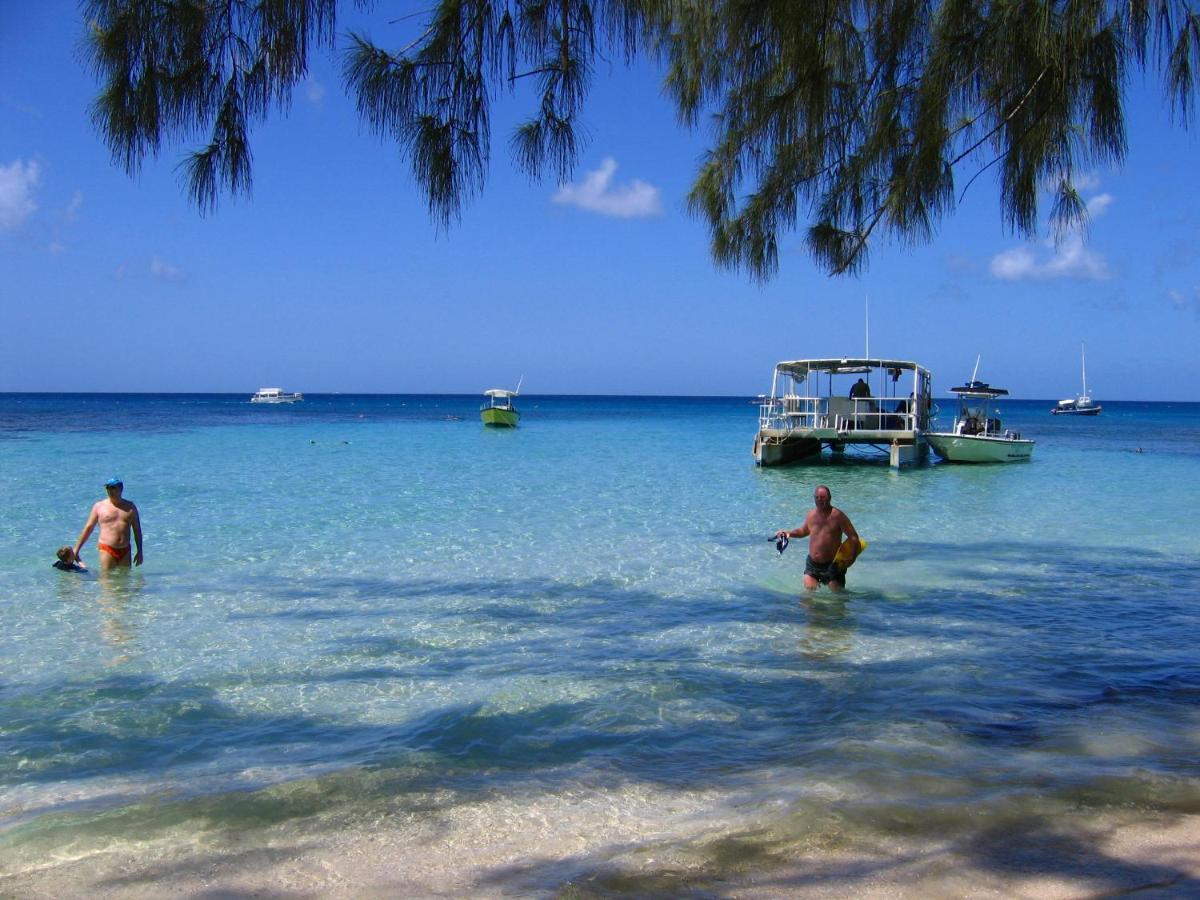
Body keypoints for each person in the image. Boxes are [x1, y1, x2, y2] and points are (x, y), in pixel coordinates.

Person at [774, 484, 860, 591]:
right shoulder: (811, 515)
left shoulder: (838, 516)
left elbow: (854, 537)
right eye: (817, 497)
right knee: (808, 598)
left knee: (837, 600)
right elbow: (803, 531)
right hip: (813, 565)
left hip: (832, 565)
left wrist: (852, 558)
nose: (819, 500)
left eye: (823, 497)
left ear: (829, 498)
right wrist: (788, 533)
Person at [74, 477, 143, 570]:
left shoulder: (130, 507)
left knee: (125, 580)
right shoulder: (99, 506)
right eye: (108, 488)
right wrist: (76, 549)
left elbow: (137, 530)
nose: (110, 491)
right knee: (107, 579)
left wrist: (139, 551)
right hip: (107, 548)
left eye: (113, 488)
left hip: (125, 549)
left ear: (121, 488)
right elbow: (88, 528)